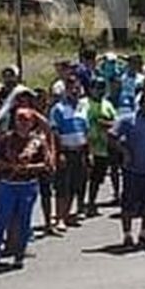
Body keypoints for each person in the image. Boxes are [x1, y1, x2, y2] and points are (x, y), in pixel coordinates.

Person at [0, 88, 53, 268]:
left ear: (32, 122)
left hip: (28, 185)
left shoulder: (37, 142)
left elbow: (45, 164)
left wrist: (28, 167)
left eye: (26, 120)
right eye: (19, 120)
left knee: (25, 221)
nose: (22, 123)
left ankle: (19, 255)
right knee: (2, 219)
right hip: (7, 185)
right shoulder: (6, 139)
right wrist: (10, 166)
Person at [112, 89, 145, 248]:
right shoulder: (128, 119)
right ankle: (127, 234)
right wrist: (124, 152)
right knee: (129, 204)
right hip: (133, 169)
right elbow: (112, 135)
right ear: (141, 104)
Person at [50, 78, 90, 232]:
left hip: (80, 151)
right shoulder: (58, 108)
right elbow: (54, 132)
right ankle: (59, 218)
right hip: (65, 151)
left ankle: (67, 215)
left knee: (75, 184)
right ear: (66, 89)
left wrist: (88, 153)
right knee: (62, 186)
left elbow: (86, 131)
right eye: (71, 88)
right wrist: (58, 153)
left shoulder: (82, 107)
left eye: (77, 88)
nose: (74, 91)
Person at [83, 77, 119, 216]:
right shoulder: (84, 104)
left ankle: (92, 203)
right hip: (87, 145)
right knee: (83, 177)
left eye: (102, 88)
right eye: (96, 87)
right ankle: (81, 205)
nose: (99, 91)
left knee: (97, 178)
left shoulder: (107, 104)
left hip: (103, 146)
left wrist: (104, 122)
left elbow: (115, 123)